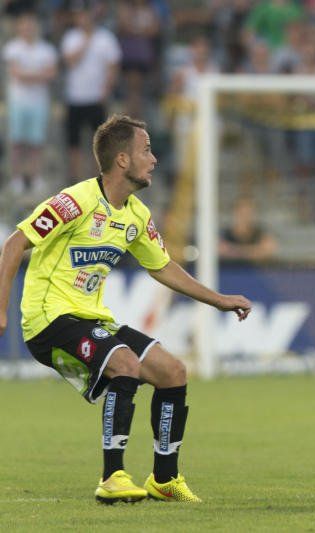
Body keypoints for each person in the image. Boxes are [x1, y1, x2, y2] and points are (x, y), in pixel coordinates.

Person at [0, 115, 252, 503]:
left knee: (172, 371)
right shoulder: (74, 202)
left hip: (91, 317)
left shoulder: (136, 215)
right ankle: (112, 476)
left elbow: (162, 266)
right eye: (146, 150)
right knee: (125, 364)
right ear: (122, 159)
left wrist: (218, 299)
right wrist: (1, 309)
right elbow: (15, 243)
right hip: (49, 319)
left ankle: (164, 480)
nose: (154, 159)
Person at [61, 1, 121, 182]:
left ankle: (96, 179)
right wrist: (86, 42)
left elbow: (113, 66)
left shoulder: (106, 38)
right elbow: (70, 61)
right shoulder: (70, 37)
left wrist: (106, 90)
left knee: (99, 141)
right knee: (74, 142)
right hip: (75, 97)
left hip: (96, 98)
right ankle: (74, 178)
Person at [2, 13, 58, 202]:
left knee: (36, 143)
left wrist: (28, 75)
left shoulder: (47, 49)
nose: (28, 29)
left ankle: (35, 178)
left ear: (36, 27)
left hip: (39, 103)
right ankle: (17, 178)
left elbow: (51, 74)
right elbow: (15, 73)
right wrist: (38, 75)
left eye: (31, 26)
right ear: (19, 28)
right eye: (24, 26)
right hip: (18, 103)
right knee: (17, 143)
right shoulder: (12, 47)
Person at [219, 197, 278, 265]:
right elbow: (220, 250)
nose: (245, 216)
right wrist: (254, 251)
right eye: (241, 212)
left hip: (254, 270)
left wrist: (233, 250)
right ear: (235, 212)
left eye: (248, 212)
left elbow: (268, 250)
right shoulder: (225, 234)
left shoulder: (261, 234)